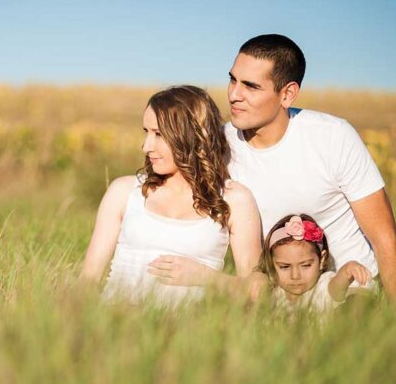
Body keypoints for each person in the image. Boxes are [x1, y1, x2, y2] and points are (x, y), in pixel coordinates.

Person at [154, 34, 396, 301]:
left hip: (347, 292)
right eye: (233, 80)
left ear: (287, 94)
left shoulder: (334, 137)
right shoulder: (218, 145)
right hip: (274, 296)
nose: (234, 95)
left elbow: (386, 239)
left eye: (251, 86)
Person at [80, 85, 262, 307]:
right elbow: (87, 284)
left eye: (159, 134)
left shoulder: (235, 199)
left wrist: (205, 277)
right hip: (117, 328)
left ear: (192, 136)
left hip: (190, 335)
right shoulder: (124, 192)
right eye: (146, 132)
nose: (146, 146)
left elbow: (258, 291)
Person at [257, 214, 373, 316]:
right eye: (284, 267)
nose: (295, 275)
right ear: (271, 263)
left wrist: (347, 270)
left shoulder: (322, 287)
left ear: (321, 260)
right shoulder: (275, 294)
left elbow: (336, 287)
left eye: (306, 265)